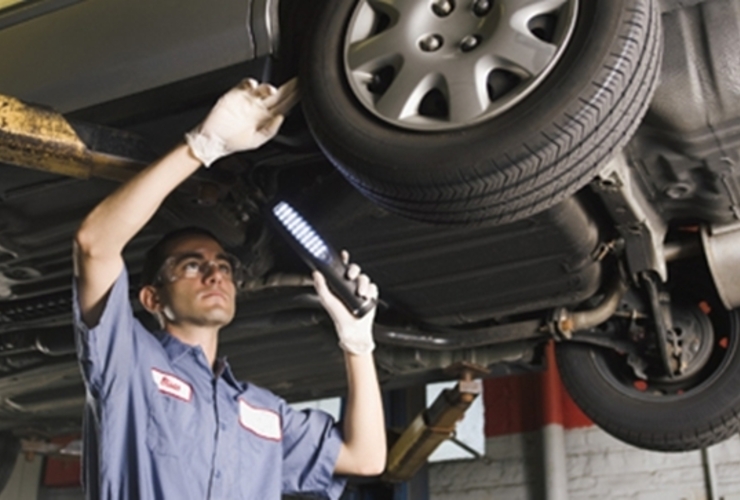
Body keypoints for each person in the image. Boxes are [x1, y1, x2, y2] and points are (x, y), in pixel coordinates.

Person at [72, 77, 386, 500]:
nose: (215, 274)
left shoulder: (259, 411)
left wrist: (358, 345)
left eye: (222, 265)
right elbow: (95, 244)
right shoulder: (130, 365)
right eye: (192, 265)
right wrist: (203, 146)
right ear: (152, 298)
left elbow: (365, 458)